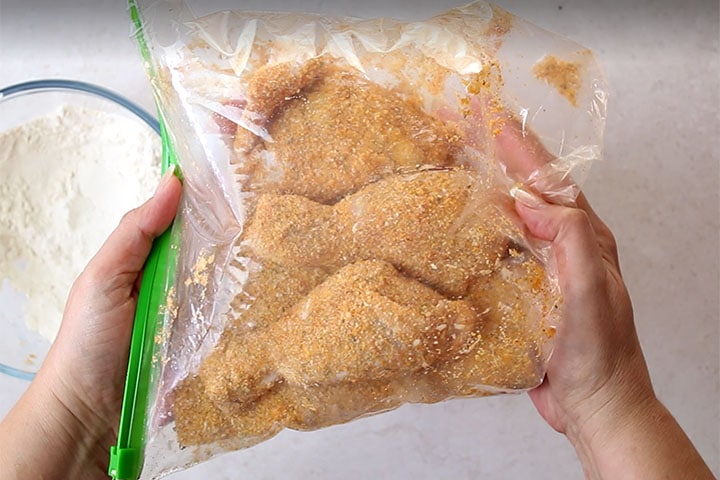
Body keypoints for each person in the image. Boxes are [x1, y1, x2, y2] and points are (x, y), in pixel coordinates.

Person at [0, 124, 714, 480]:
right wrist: (610, 404)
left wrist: (608, 402)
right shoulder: (290, 343)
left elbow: (435, 320)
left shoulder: (315, 304)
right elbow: (428, 323)